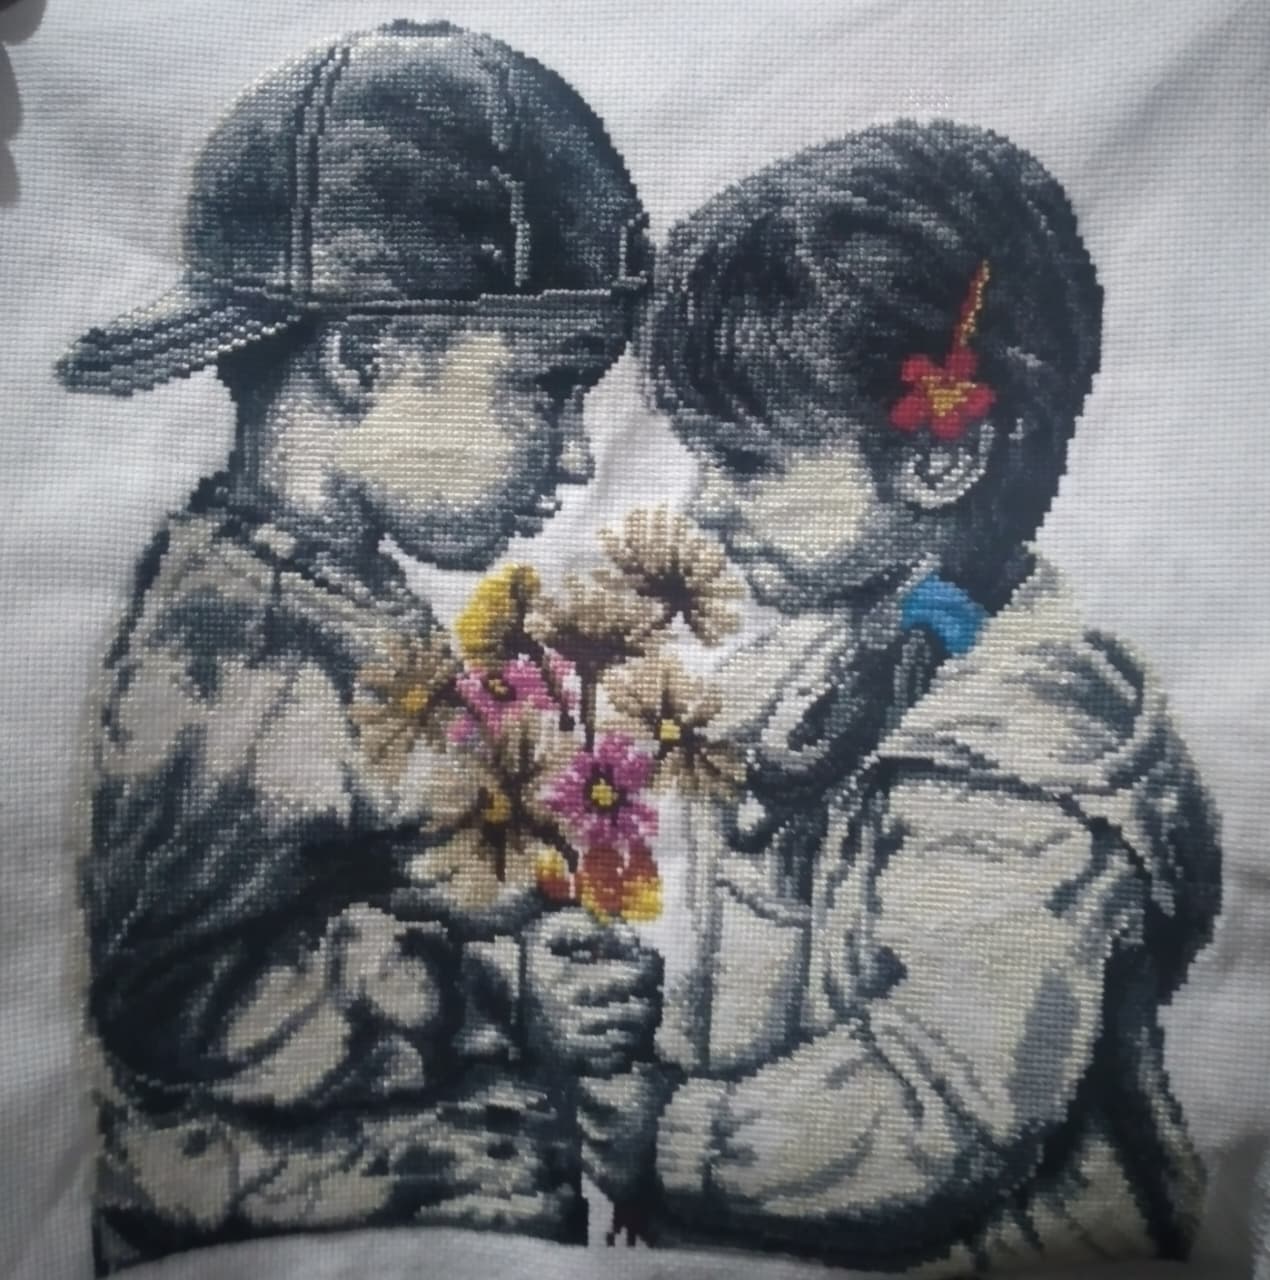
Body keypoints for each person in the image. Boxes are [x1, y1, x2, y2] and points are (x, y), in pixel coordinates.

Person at [58, 20, 660, 1272]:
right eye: (546, 384)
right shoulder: (239, 640)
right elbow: (176, 997)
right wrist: (493, 989)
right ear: (364, 353)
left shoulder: (325, 598)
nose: (573, 455)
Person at [634, 119, 1223, 1272]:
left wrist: (670, 1133)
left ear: (941, 457)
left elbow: (944, 1097)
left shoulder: (1027, 750)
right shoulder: (815, 673)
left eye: (745, 460)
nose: (701, 507)